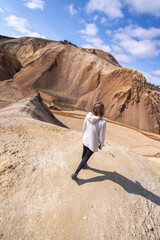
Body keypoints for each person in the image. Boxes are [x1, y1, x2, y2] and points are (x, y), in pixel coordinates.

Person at [70, 101, 106, 180]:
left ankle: (84, 165)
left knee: (84, 154)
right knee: (86, 157)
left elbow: (84, 126)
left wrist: (84, 135)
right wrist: (101, 144)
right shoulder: (102, 122)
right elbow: (102, 136)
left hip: (86, 139)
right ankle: (75, 173)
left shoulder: (88, 115)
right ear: (102, 110)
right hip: (93, 143)